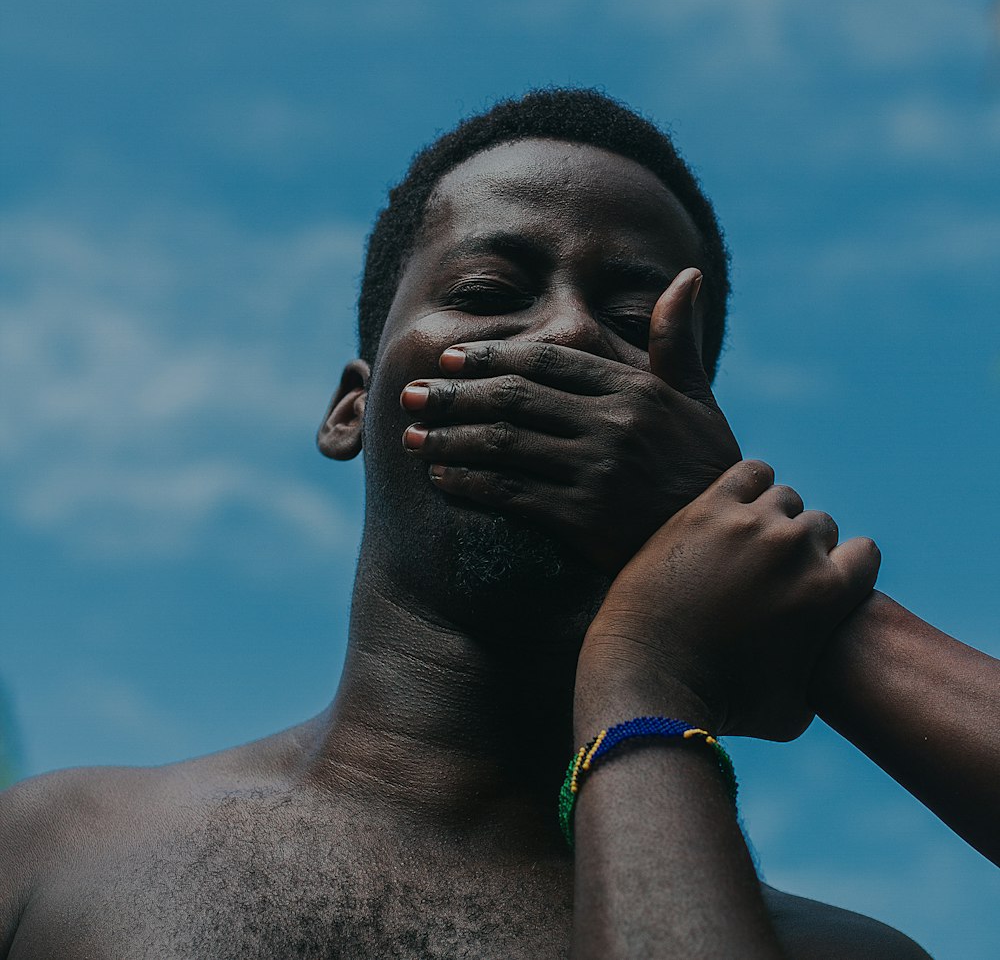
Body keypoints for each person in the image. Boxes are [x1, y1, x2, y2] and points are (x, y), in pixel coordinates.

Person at [3, 86, 984, 958]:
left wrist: (647, 671)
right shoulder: (47, 849)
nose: (564, 333)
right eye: (485, 293)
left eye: (637, 319)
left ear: (692, 439)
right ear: (354, 406)